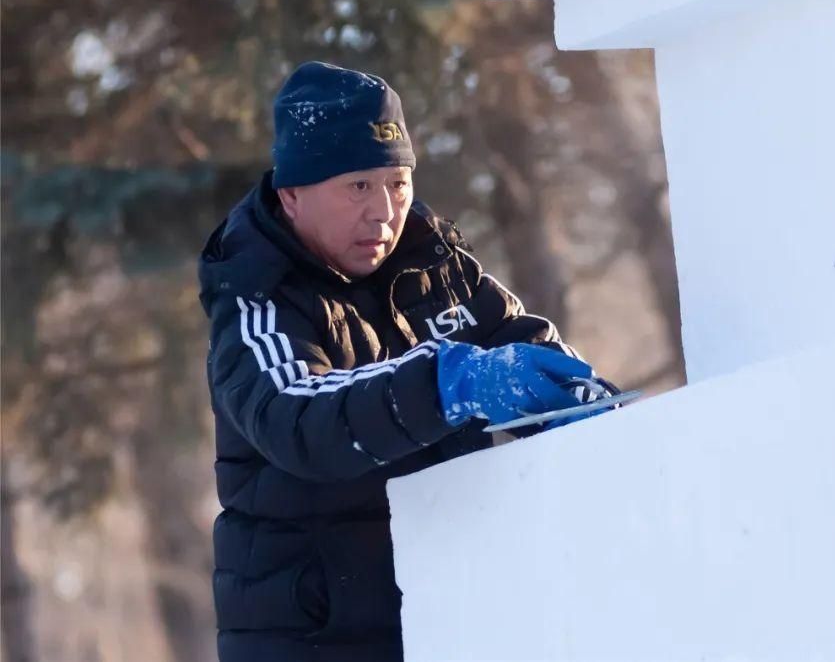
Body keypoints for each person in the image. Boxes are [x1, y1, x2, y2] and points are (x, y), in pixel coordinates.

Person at [198, 61, 608, 662]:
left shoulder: (436, 261)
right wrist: (447, 383)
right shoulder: (257, 301)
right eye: (357, 187)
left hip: (452, 609)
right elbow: (298, 419)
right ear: (291, 196)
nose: (384, 212)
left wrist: (578, 397)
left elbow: (519, 338)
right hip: (315, 639)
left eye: (397, 183)